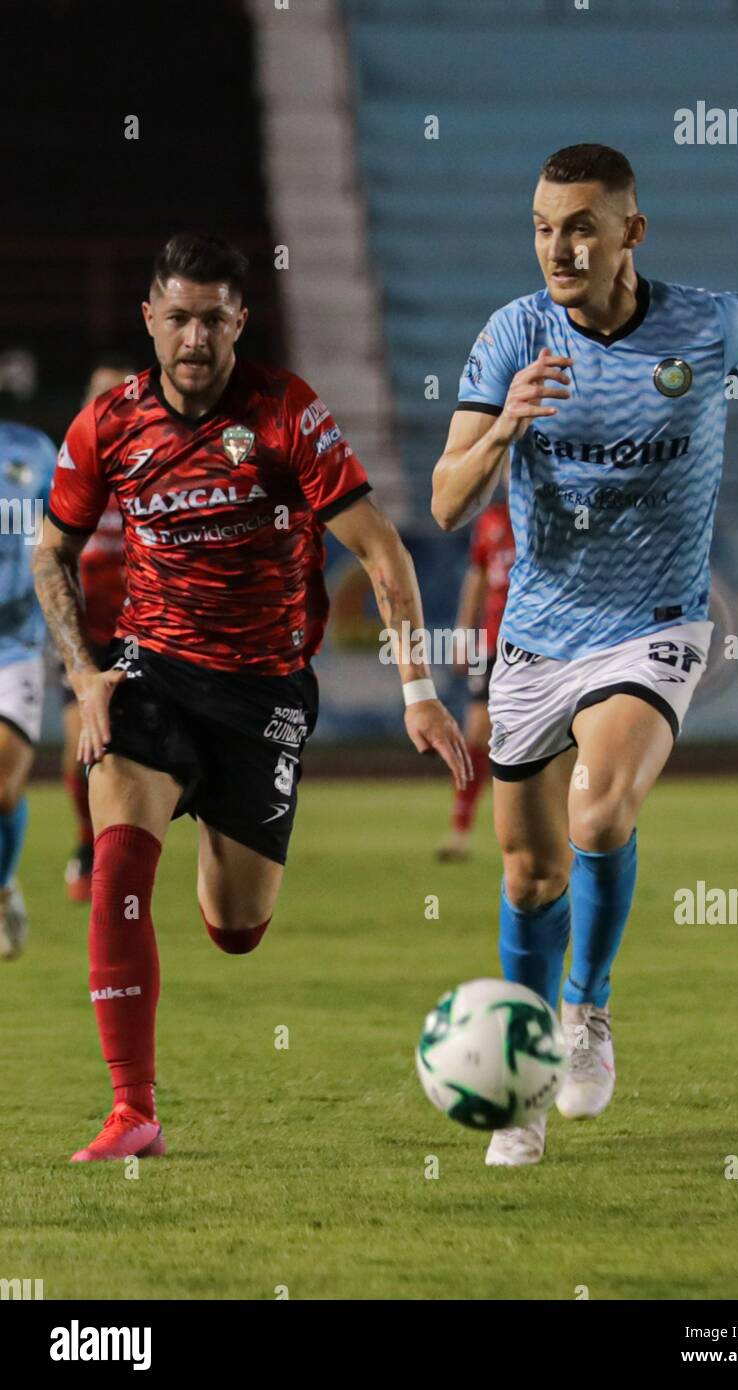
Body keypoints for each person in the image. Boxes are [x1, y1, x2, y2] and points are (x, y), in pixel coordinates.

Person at [432, 143, 738, 1166]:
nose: (557, 247)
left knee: (597, 806)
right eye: (542, 226)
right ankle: (521, 1085)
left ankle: (585, 1009)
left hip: (656, 623)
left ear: (631, 230)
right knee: (529, 874)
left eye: (580, 225)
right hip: (537, 638)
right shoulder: (513, 337)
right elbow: (448, 500)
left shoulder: (708, 324)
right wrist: (502, 430)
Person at [35, 232, 470, 1161]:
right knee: (118, 870)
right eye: (179, 317)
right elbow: (50, 552)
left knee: (237, 930)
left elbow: (382, 550)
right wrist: (86, 673)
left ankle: (214, 827)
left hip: (264, 693)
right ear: (150, 318)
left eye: (214, 319)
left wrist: (419, 692)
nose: (195, 337)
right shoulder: (107, 425)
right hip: (150, 673)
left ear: (241, 321)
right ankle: (133, 1111)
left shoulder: (284, 413)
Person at [61, 357, 135, 902]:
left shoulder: (154, 468)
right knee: (76, 751)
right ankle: (88, 845)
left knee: (126, 758)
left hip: (142, 634)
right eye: (98, 396)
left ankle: (119, 859)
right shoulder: (69, 472)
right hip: (84, 636)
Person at [0, 418, 56, 958]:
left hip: (14, 644)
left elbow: (62, 537)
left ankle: (3, 886)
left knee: (2, 788)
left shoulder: (32, 449)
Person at [437, 495, 514, 862]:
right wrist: (463, 634)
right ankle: (459, 828)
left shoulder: (554, 512)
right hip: (493, 644)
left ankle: (559, 831)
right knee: (476, 735)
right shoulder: (491, 521)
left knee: (554, 740)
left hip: (543, 645)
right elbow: (478, 575)